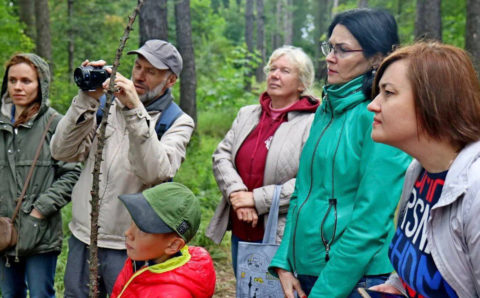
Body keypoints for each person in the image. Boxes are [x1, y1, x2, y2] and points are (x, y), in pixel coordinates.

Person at [268, 9, 411, 297]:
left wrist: (325, 291)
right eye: (329, 47)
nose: (329, 57)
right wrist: (284, 261)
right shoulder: (326, 109)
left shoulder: (379, 116)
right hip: (307, 270)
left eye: (342, 50)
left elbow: (371, 220)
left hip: (357, 279)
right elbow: (303, 191)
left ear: (376, 58)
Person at [50, 40, 195, 297]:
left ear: (170, 80)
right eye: (138, 66)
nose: (139, 75)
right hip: (84, 236)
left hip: (132, 245)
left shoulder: (178, 122)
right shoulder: (106, 104)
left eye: (151, 71)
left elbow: (155, 173)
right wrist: (87, 99)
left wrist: (134, 110)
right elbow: (61, 151)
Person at [367, 42, 480, 297]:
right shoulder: (419, 171)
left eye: (388, 93)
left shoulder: (475, 191)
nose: (373, 105)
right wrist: (399, 285)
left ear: (434, 102)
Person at [205, 45, 319, 275]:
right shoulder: (247, 114)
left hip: (281, 234)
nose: (275, 74)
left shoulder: (313, 123)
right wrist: (238, 195)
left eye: (285, 71)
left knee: (274, 290)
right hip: (241, 225)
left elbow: (310, 179)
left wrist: (256, 200)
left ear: (302, 83)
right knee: (247, 287)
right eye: (272, 68)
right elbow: (221, 156)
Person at [0, 53, 81, 298]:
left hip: (40, 232)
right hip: (3, 230)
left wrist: (40, 210)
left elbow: (72, 173)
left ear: (41, 84)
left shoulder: (55, 124)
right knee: (10, 293)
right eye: (12, 80)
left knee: (40, 294)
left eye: (26, 80)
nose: (18, 87)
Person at [111, 182, 216, 297]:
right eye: (133, 221)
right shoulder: (142, 260)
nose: (128, 233)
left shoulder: (171, 294)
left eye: (142, 229)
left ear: (173, 245)